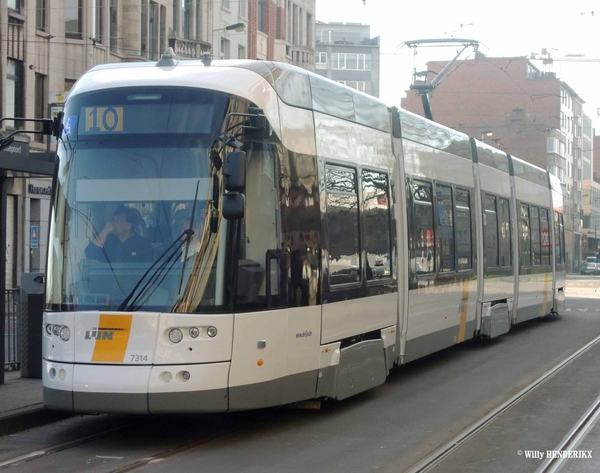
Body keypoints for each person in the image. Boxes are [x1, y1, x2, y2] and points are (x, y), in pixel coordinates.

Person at [86, 205, 153, 263]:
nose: (113, 222)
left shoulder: (143, 244)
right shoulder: (108, 240)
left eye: (118, 220)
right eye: (113, 219)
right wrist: (105, 231)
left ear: (128, 226)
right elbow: (90, 253)